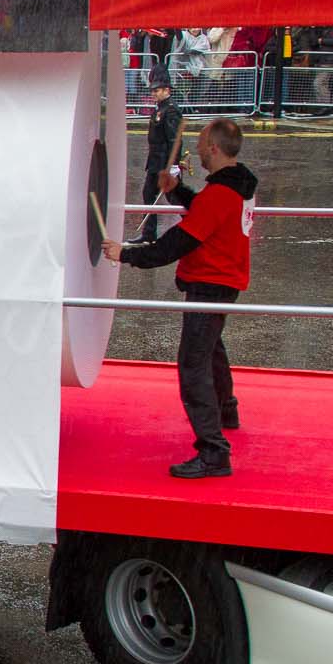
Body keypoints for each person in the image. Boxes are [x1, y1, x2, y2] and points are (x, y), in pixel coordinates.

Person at [104, 117, 258, 479]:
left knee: (193, 364)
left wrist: (125, 253)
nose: (198, 150)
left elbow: (176, 244)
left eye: (203, 144)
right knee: (212, 348)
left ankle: (213, 451)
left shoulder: (221, 194)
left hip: (211, 281)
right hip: (224, 278)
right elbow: (204, 210)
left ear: (215, 149)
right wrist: (176, 190)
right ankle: (226, 409)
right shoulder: (238, 185)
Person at [135, 78, 183, 242]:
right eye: (153, 91)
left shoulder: (170, 111)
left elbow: (174, 139)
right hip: (156, 162)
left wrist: (174, 164)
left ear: (166, 90)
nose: (153, 93)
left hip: (164, 163)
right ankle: (148, 234)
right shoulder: (160, 109)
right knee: (149, 194)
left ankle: (195, 226)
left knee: (175, 198)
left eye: (157, 90)